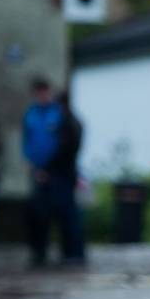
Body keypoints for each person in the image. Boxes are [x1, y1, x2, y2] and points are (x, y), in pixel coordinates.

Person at [22, 77, 63, 266]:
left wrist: (50, 168)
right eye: (39, 93)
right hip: (36, 171)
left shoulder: (58, 113)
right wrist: (32, 165)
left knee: (54, 212)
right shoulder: (31, 114)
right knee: (36, 213)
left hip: (54, 171)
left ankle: (52, 249)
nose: (43, 96)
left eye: (45, 92)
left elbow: (61, 143)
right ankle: (37, 250)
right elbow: (26, 141)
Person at [51, 87, 86, 265]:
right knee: (70, 214)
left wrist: (48, 167)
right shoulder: (73, 122)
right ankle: (73, 252)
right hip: (68, 172)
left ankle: (73, 252)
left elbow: (64, 150)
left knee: (68, 215)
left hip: (63, 174)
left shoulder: (67, 123)